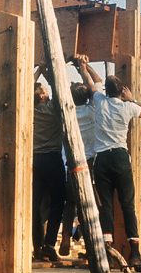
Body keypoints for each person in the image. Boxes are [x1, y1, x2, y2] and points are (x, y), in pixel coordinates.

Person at [79, 54, 141, 271]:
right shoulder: (128, 107)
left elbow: (90, 82)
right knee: (128, 205)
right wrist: (132, 99)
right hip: (121, 157)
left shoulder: (99, 102)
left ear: (106, 91)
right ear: (122, 91)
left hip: (102, 159)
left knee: (105, 205)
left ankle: (107, 249)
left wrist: (83, 66)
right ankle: (134, 253)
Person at [59, 58, 103, 256]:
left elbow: (58, 87)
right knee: (92, 202)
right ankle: (90, 239)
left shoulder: (68, 111)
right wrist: (82, 67)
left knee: (70, 202)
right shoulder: (94, 109)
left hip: (73, 162)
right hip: (91, 162)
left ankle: (67, 236)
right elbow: (97, 80)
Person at [32, 64, 66, 262]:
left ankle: (37, 247)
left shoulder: (29, 109)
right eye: (44, 90)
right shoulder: (53, 109)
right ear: (43, 96)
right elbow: (59, 87)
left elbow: (26, 88)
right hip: (53, 159)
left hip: (35, 161)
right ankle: (49, 244)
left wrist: (38, 72)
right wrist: (47, 72)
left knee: (36, 205)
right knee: (57, 202)